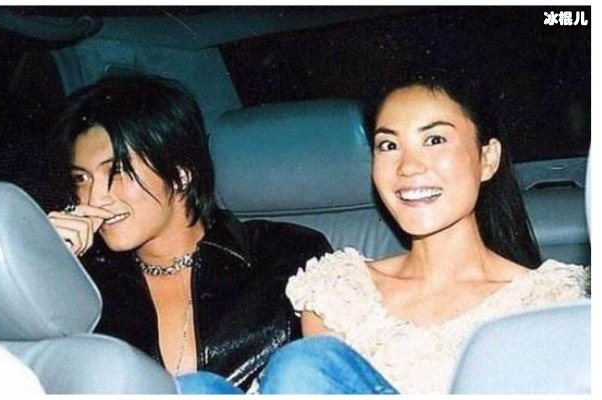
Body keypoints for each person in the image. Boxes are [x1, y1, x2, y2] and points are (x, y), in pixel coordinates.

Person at [181, 75, 590, 394]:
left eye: (434, 140)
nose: (408, 167)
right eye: (388, 146)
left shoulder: (548, 303)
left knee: (303, 366)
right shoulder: (340, 289)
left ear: (487, 158)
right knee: (192, 389)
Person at [46, 74, 333, 391]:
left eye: (117, 171)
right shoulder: (85, 284)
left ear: (181, 173)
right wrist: (45, 269)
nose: (93, 198)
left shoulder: (289, 254)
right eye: (82, 179)